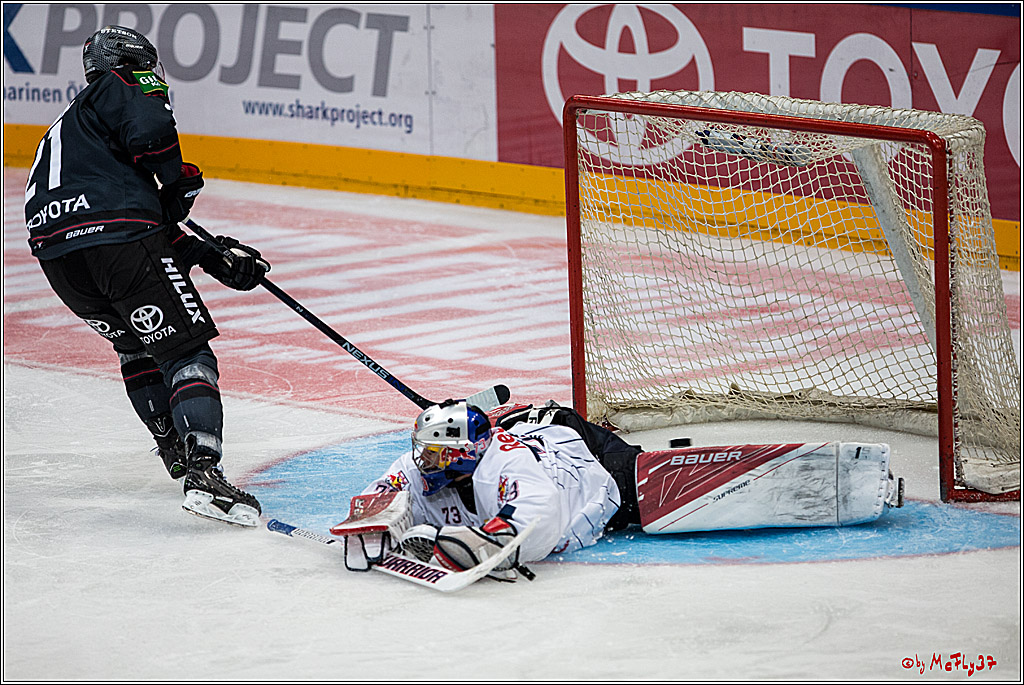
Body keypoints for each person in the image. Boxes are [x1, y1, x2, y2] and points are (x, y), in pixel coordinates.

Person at [23, 25, 269, 527]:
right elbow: (149, 142)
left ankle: (174, 449)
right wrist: (175, 178)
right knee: (186, 352)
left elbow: (130, 220)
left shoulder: (70, 129)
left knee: (136, 346)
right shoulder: (122, 83)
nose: (153, 77)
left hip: (60, 259)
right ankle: (205, 472)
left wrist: (209, 255)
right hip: (118, 243)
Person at [335, 399, 905, 581]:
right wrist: (379, 525)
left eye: (435, 451)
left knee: (645, 486)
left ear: (463, 453)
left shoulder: (503, 469)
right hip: (538, 428)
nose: (424, 461)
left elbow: (536, 519)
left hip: (586, 462)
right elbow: (381, 494)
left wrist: (487, 542)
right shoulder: (428, 466)